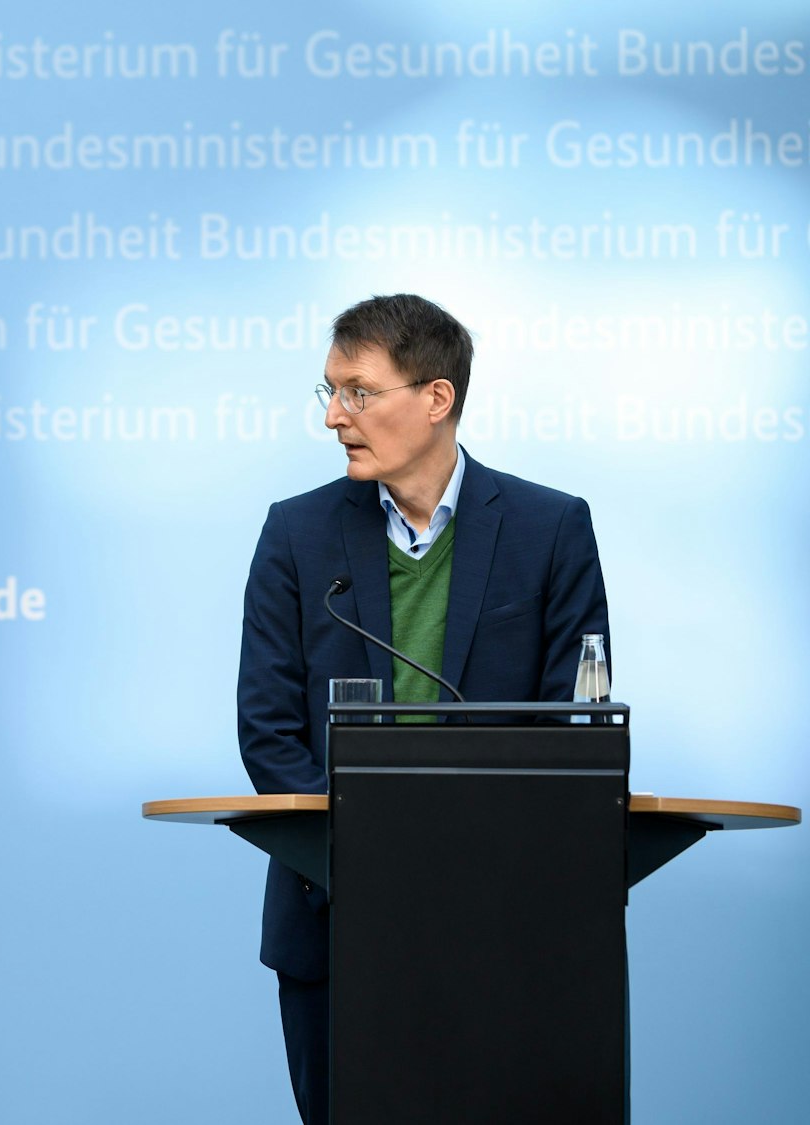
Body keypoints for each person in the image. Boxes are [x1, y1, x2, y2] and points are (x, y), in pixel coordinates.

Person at [237, 293, 610, 1124]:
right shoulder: (296, 534)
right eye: (328, 391)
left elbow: (568, 725)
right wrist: (363, 856)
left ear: (436, 398)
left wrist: (460, 859)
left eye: (358, 392)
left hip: (502, 919)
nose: (335, 416)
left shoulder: (550, 528)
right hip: (335, 919)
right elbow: (268, 727)